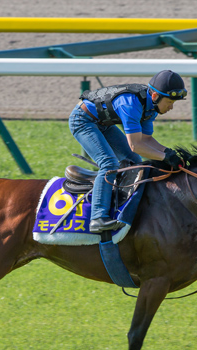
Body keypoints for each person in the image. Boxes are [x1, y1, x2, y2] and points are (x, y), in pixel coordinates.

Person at [68, 69, 186, 233]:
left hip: (103, 124)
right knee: (109, 163)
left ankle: (130, 206)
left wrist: (169, 153)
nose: (171, 107)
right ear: (154, 96)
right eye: (170, 102)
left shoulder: (151, 107)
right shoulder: (131, 104)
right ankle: (98, 217)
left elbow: (146, 140)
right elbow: (135, 145)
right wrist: (164, 157)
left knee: (136, 163)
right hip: (83, 121)